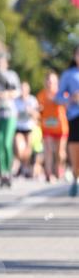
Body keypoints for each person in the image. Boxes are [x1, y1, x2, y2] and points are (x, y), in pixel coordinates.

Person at [0, 53, 21, 187]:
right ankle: (2, 171)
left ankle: (8, 170)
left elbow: (17, 92)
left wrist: (5, 94)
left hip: (9, 113)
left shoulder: (11, 75)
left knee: (7, 142)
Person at [37, 70, 69, 183]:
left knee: (60, 153)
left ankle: (59, 169)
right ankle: (49, 174)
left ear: (57, 82)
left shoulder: (62, 94)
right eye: (49, 81)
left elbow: (68, 106)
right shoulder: (41, 95)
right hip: (47, 127)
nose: (51, 84)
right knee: (49, 150)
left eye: (53, 82)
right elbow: (38, 110)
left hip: (61, 127)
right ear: (46, 82)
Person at [56, 45, 79, 196]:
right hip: (74, 116)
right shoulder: (68, 74)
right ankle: (76, 178)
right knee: (75, 151)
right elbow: (58, 97)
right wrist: (71, 98)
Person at [13, 81, 39, 178]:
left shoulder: (32, 100)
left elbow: (37, 116)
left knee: (28, 149)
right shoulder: (16, 101)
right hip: (19, 127)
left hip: (29, 127)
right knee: (20, 149)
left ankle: (25, 166)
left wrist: (31, 111)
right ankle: (22, 165)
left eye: (25, 89)